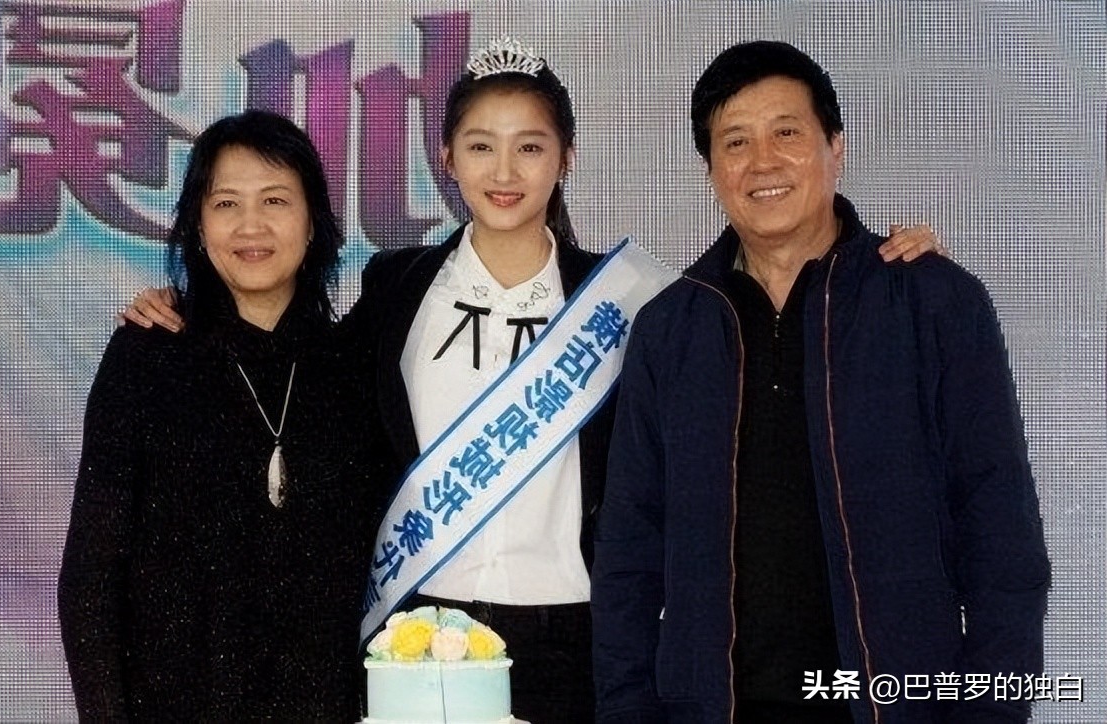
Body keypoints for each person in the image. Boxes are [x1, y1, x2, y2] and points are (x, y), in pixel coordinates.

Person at [121, 38, 942, 722]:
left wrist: (869, 262)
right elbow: (295, 378)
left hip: (577, 643)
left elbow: (766, 316)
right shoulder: (395, 288)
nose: (504, 170)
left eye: (531, 145)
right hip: (417, 642)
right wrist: (185, 310)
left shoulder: (635, 302)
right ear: (447, 158)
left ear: (566, 157)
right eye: (481, 145)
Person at [591, 40, 1051, 724]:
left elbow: (1001, 534)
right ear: (711, 170)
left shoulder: (931, 301)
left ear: (836, 146)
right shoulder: (670, 329)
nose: (762, 162)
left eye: (787, 133)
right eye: (735, 142)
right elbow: (628, 552)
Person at [57, 110, 390, 721]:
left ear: (313, 222)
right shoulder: (147, 354)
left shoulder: (356, 364)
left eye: (275, 201)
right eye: (226, 203)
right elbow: (92, 572)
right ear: (198, 224)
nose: (250, 226)